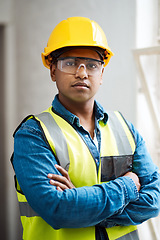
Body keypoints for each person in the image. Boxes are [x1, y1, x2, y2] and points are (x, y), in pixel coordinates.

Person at [11, 17, 160, 240]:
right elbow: (58, 210)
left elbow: (153, 200)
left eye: (92, 65)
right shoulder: (33, 134)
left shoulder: (125, 128)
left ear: (101, 75)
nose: (82, 73)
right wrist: (128, 185)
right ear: (53, 71)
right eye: (70, 63)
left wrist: (81, 204)